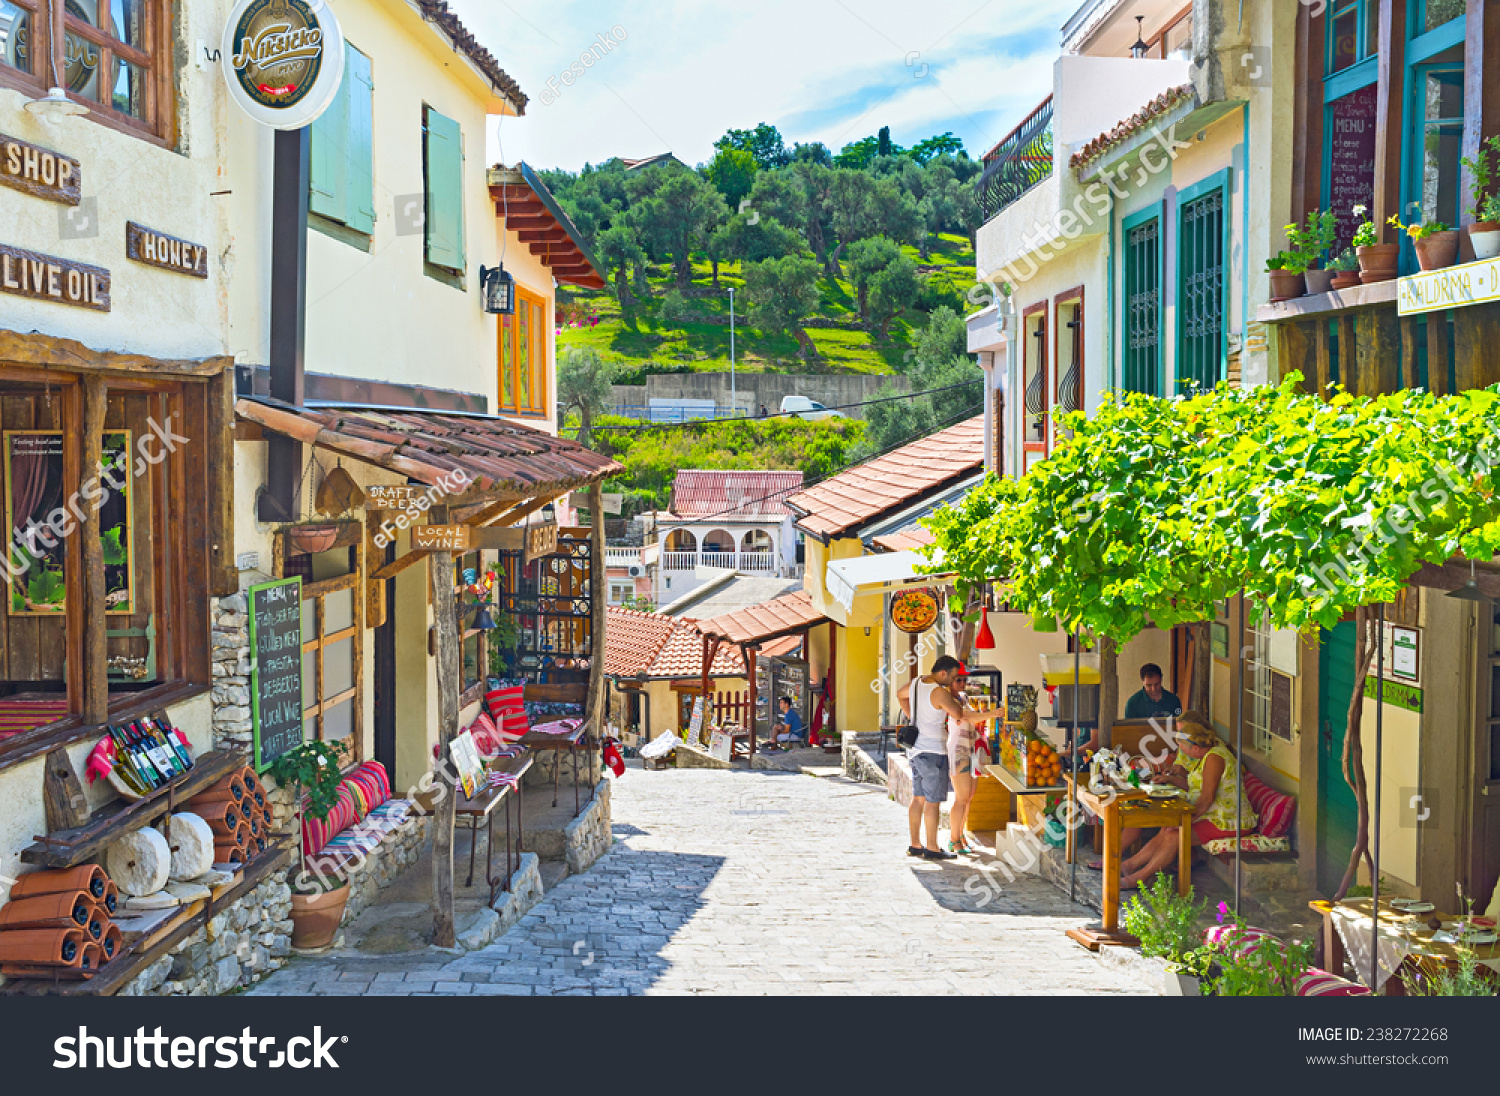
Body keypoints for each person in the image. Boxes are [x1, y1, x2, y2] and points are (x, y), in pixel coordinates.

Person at [1114, 714, 1257, 889]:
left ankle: (1139, 877)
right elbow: (1196, 789)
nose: (1183, 754)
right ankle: (1130, 866)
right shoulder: (1206, 755)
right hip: (1214, 815)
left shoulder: (1214, 758)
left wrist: (1185, 820)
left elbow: (1206, 798)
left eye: (1185, 749)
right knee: (1167, 829)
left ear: (1196, 748)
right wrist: (1173, 781)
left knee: (1174, 836)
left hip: (1229, 820)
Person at [897, 656, 1004, 861]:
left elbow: (899, 695)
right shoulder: (939, 692)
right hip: (933, 751)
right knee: (933, 802)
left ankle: (915, 844)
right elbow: (959, 714)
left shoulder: (917, 683)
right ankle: (932, 847)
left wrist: (913, 718)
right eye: (955, 676)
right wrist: (992, 714)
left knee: (918, 798)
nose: (956, 681)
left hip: (915, 750)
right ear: (943, 673)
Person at [944, 673, 999, 855]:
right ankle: (954, 839)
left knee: (968, 797)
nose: (962, 683)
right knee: (961, 798)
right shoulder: (949, 701)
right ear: (950, 682)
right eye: (958, 680)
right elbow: (966, 717)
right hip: (959, 753)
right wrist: (993, 714)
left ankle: (961, 836)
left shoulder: (963, 697)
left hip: (970, 751)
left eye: (963, 680)